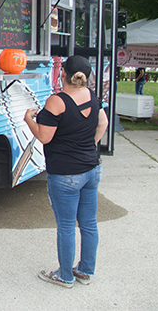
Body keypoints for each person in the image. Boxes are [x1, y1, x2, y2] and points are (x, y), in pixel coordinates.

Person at [23, 55, 109, 288]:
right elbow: (103, 123)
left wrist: (28, 119)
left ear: (63, 74)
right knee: (89, 224)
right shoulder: (92, 97)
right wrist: (88, 146)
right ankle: (85, 271)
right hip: (92, 170)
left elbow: (44, 136)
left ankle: (65, 276)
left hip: (66, 174)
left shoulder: (57, 101)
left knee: (67, 226)